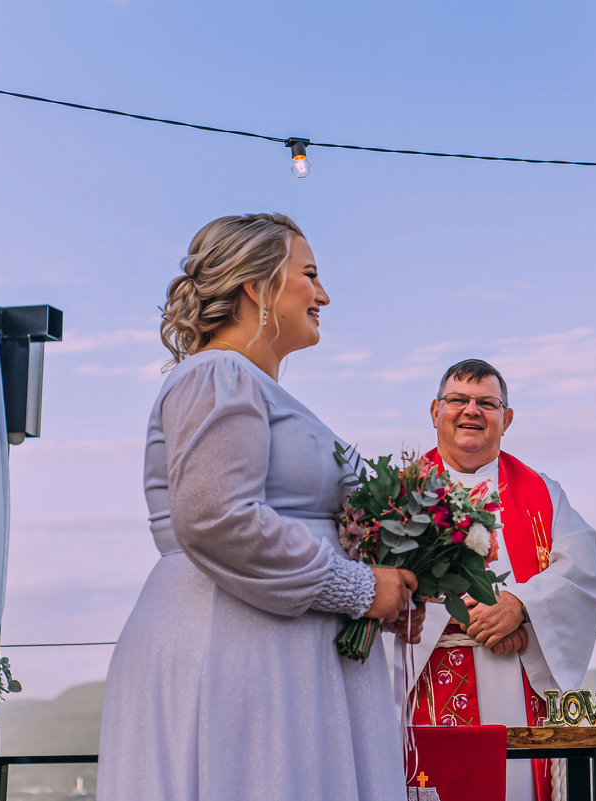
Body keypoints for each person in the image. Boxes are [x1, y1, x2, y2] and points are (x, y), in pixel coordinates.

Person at [97, 213, 421, 801]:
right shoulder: (217, 375)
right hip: (232, 646)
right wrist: (359, 589)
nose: (323, 294)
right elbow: (218, 519)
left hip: (276, 654)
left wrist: (388, 577)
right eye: (310, 274)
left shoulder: (254, 386)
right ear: (259, 286)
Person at [391, 359, 596, 801]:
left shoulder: (542, 493)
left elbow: (582, 572)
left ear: (505, 419)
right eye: (458, 400)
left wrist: (521, 609)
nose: (472, 410)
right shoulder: (399, 496)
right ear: (435, 411)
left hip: (516, 680)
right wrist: (467, 623)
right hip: (423, 683)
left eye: (487, 403)